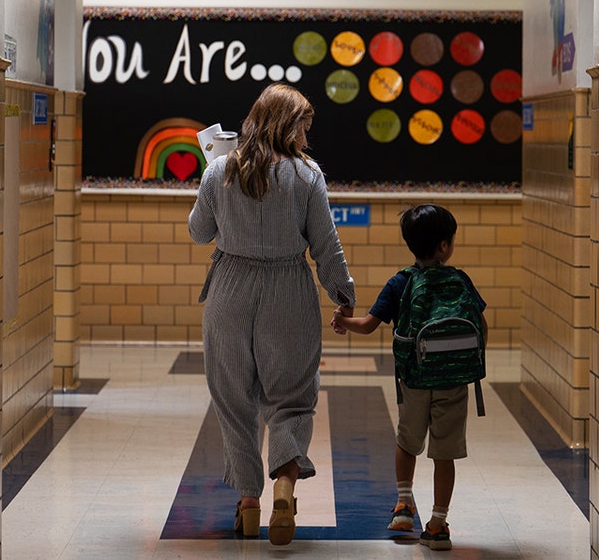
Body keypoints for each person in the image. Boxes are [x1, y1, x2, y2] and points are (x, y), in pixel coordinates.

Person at [189, 83, 355, 546]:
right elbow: (326, 244)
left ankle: (247, 503)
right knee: (293, 397)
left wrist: (211, 180)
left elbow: (199, 233)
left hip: (230, 292)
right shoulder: (307, 176)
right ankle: (284, 485)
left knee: (234, 399)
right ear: (285, 124)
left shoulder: (220, 170)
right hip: (288, 289)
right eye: (304, 124)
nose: (307, 135)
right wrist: (343, 293)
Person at [331, 204, 486, 552]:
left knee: (407, 441)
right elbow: (481, 327)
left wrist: (343, 322)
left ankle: (404, 505)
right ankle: (438, 524)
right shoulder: (461, 280)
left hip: (414, 380)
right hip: (454, 382)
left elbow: (370, 324)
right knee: (444, 453)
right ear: (444, 246)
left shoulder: (401, 281)